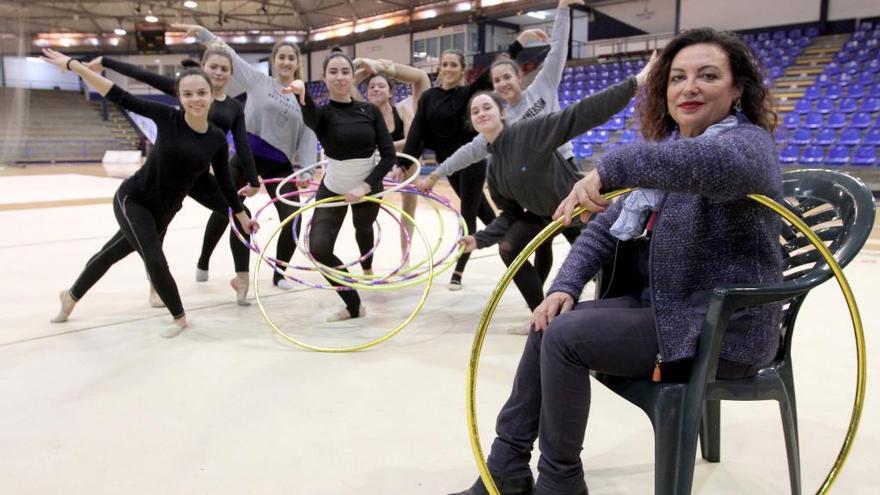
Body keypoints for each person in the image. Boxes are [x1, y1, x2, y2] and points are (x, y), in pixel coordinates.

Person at [451, 27, 782, 495]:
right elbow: (602, 231)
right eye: (676, 78)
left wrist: (609, 167)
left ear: (736, 90)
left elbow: (707, 165)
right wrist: (563, 286)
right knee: (551, 319)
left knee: (566, 338)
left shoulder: (746, 147)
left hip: (721, 328)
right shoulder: (667, 159)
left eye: (707, 76)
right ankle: (506, 465)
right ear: (663, 91)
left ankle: (560, 483)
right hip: (671, 310)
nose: (689, 87)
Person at [42, 48, 258, 338]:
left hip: (165, 209)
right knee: (154, 258)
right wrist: (75, 67)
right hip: (134, 199)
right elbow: (120, 95)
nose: (195, 99)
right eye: (188, 94)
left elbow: (226, 185)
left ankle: (70, 296)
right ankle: (180, 319)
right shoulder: (166, 117)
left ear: (211, 96)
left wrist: (241, 215)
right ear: (180, 97)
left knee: (111, 253)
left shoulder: (217, 139)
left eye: (201, 93)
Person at [420, 52, 653, 320]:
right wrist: (478, 239)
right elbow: (510, 214)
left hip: (579, 209)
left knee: (604, 272)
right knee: (509, 246)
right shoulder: (493, 166)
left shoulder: (529, 131)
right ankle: (540, 315)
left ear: (502, 112)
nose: (481, 113)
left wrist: (634, 83)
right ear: (471, 122)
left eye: (487, 107)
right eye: (475, 111)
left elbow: (579, 114)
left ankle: (608, 317)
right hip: (545, 217)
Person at [86, 44, 260, 306]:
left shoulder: (234, 107)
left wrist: (254, 180)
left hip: (200, 177)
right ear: (203, 68)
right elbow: (142, 75)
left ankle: (242, 277)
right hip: (171, 174)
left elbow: (243, 145)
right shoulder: (188, 88)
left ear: (231, 73)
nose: (219, 72)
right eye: (213, 67)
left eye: (224, 69)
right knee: (157, 229)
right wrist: (107, 61)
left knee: (239, 215)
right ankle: (155, 286)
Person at [398, 29, 549, 290]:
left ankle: (458, 271)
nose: (447, 69)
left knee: (466, 215)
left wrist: (520, 42)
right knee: (489, 218)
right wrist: (404, 164)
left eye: (453, 65)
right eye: (444, 64)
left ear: (462, 69)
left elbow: (496, 68)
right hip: (451, 166)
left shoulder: (468, 93)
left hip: (473, 161)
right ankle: (519, 261)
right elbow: (417, 132)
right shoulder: (429, 98)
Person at [172, 23, 319, 290]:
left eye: (291, 57)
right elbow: (229, 55)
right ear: (273, 61)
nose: (286, 62)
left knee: (293, 216)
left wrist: (307, 171)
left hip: (280, 165)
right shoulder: (258, 80)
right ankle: (204, 260)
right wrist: (203, 34)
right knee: (226, 210)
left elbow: (309, 136)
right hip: (245, 157)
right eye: (281, 57)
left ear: (298, 63)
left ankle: (280, 273)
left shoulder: (303, 96)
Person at [282, 51, 396, 321]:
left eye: (345, 71)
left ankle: (367, 267)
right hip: (333, 187)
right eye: (333, 72)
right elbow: (309, 117)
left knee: (363, 227)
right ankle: (354, 306)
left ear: (352, 75)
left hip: (368, 187)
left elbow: (389, 155)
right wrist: (302, 93)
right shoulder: (322, 114)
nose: (340, 77)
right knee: (319, 249)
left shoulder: (370, 111)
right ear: (324, 78)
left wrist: (365, 187)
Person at [354, 57, 431, 260]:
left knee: (409, 206)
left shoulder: (403, 110)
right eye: (371, 86)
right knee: (366, 208)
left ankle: (405, 255)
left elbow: (410, 141)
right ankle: (366, 258)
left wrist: (384, 149)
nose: (376, 89)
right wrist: (364, 67)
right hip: (377, 162)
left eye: (381, 85)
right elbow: (349, 85)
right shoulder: (362, 111)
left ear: (390, 92)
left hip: (402, 159)